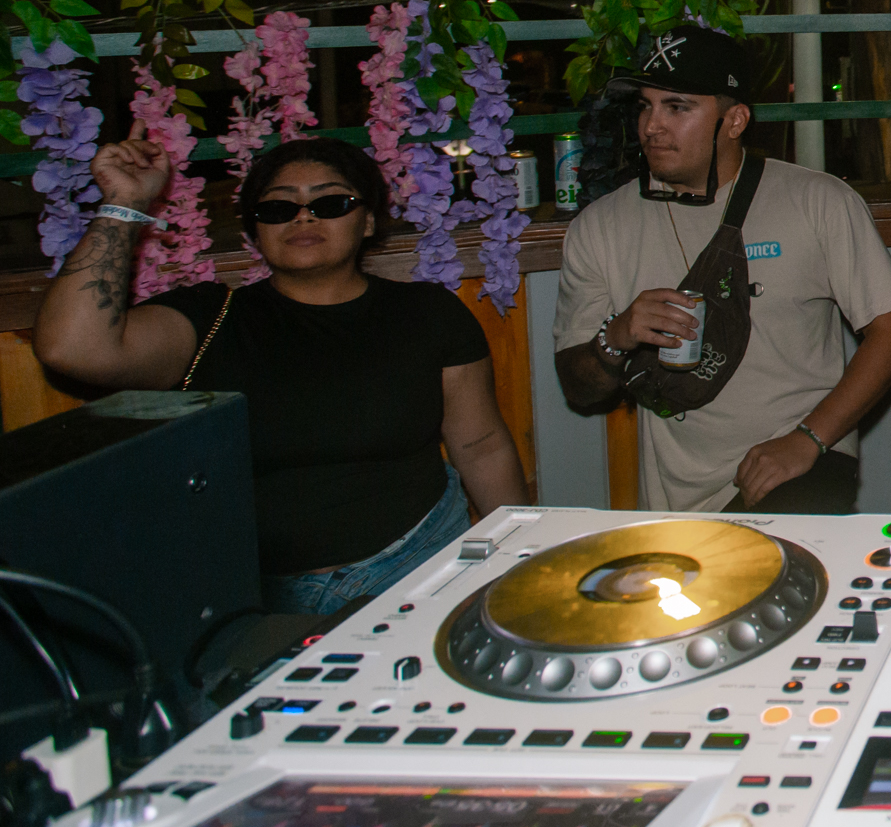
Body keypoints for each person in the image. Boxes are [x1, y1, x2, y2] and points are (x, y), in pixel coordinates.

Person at [34, 136, 528, 616]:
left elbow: (481, 446)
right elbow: (73, 349)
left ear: (369, 220)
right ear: (255, 230)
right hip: (250, 599)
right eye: (277, 207)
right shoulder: (210, 318)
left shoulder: (426, 312)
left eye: (331, 203)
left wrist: (519, 558)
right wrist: (125, 203)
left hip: (416, 569)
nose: (303, 216)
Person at [553, 25, 891, 512]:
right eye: (644, 105)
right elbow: (579, 389)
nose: (651, 126)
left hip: (803, 458)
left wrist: (808, 438)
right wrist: (616, 336)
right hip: (679, 497)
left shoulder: (818, 201)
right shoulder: (599, 227)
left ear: (735, 120)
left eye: (676, 107)